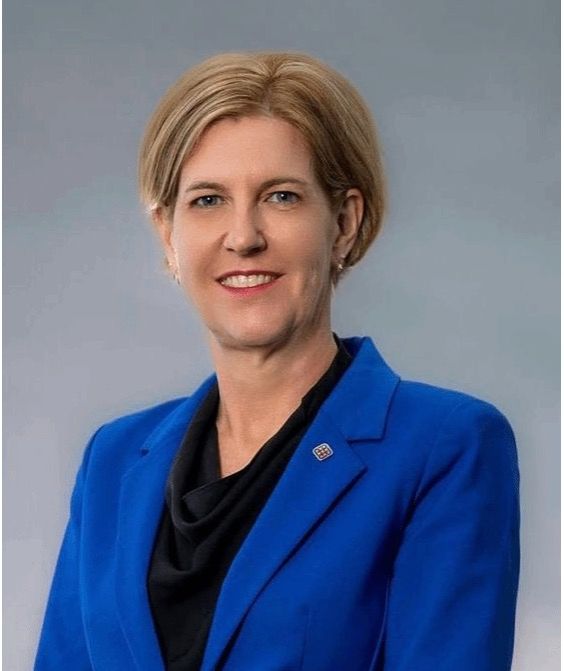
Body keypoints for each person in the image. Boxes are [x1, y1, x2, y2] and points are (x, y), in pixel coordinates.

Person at [34, 51, 520, 671]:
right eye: (207, 200)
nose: (243, 237)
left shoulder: (443, 447)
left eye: (281, 197)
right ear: (166, 233)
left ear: (344, 223)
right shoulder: (113, 458)